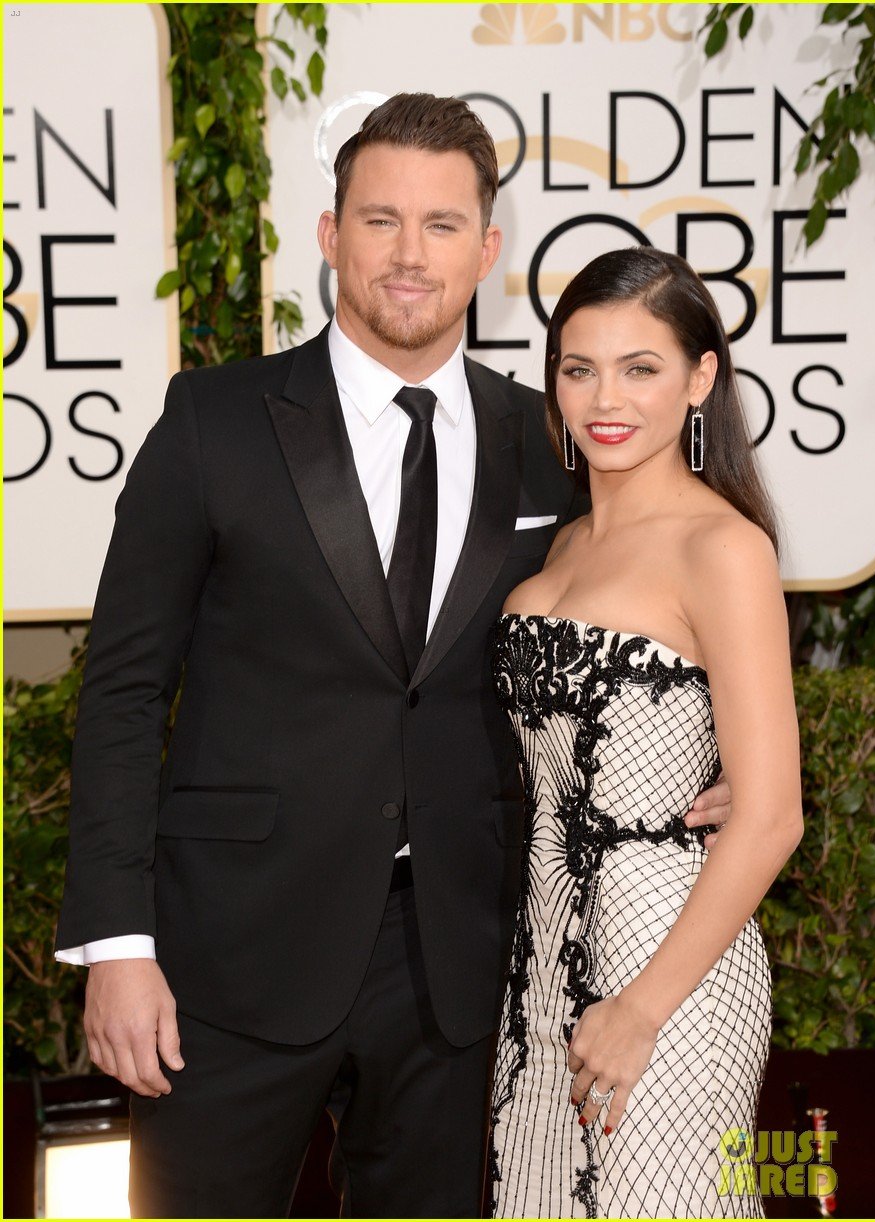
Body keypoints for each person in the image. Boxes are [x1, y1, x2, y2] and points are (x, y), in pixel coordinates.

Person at [54, 96, 729, 1219]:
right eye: (380, 221)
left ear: (489, 251)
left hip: (460, 956)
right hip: (228, 958)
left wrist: (737, 754)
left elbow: (672, 580)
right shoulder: (213, 422)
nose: (410, 256)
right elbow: (123, 689)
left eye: (442, 225)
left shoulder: (546, 434)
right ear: (330, 236)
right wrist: (119, 946)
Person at [489, 247, 803, 1219]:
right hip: (540, 967)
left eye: (641, 367)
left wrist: (640, 1007)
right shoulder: (565, 543)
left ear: (701, 376)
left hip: (666, 968)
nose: (603, 397)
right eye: (578, 368)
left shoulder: (725, 547)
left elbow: (771, 819)